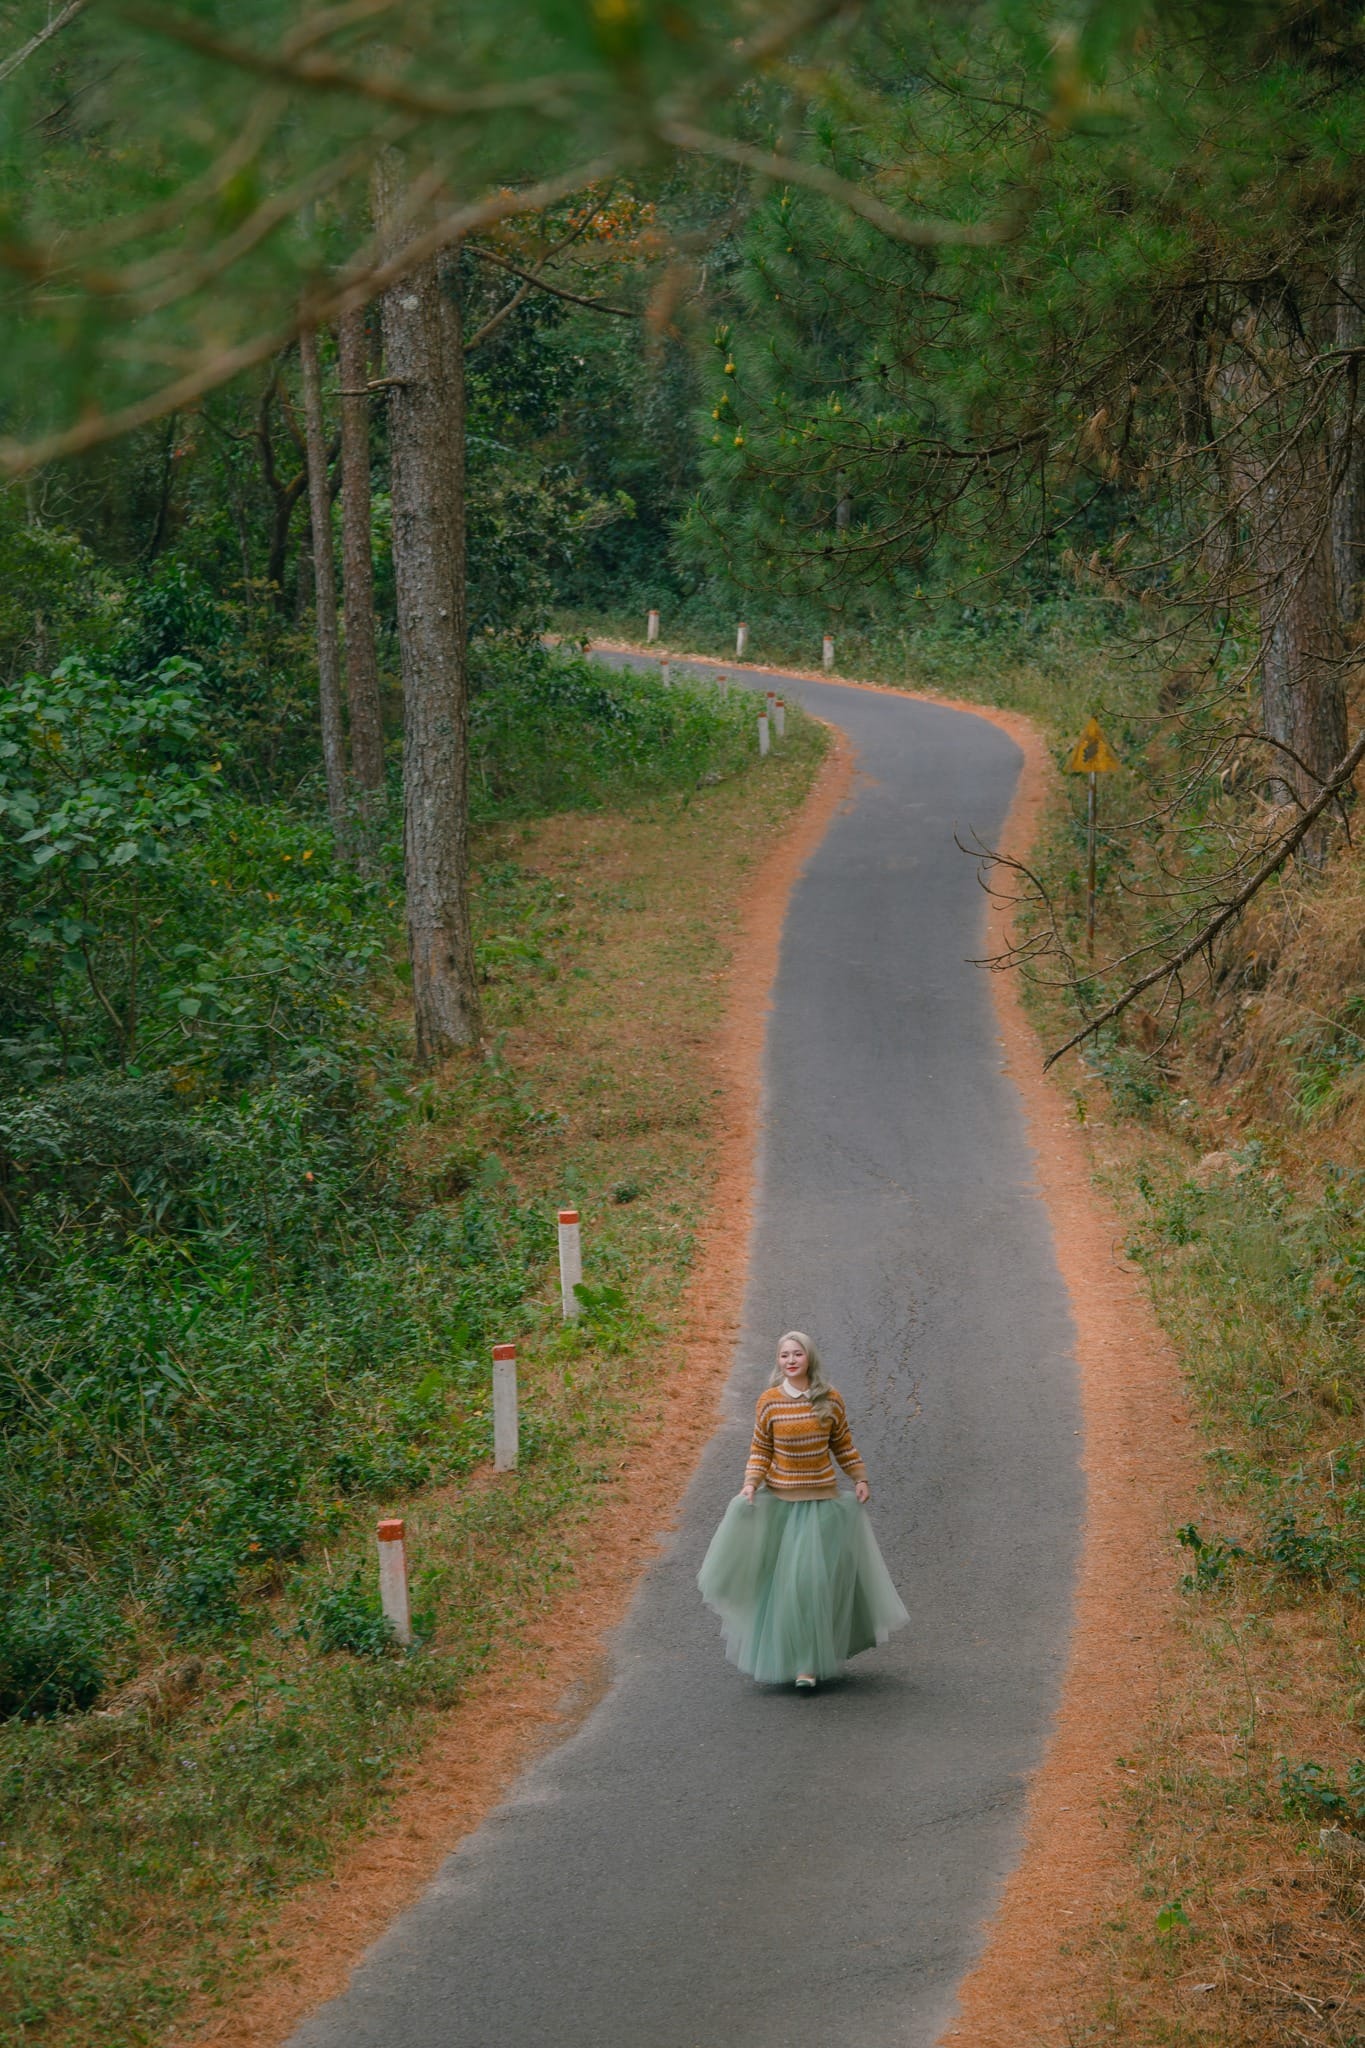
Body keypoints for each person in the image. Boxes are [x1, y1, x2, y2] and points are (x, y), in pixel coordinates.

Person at [697, 1331, 908, 1691]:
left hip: (821, 1504)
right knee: (784, 1588)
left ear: (809, 1358)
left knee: (813, 1586)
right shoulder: (770, 1402)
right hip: (781, 1505)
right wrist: (751, 1483)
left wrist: (859, 1477)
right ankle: (792, 1658)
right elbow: (761, 1448)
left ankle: (808, 1663)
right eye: (784, 1355)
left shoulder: (830, 1399)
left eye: (797, 1354)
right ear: (778, 1361)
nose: (791, 1361)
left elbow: (843, 1444)